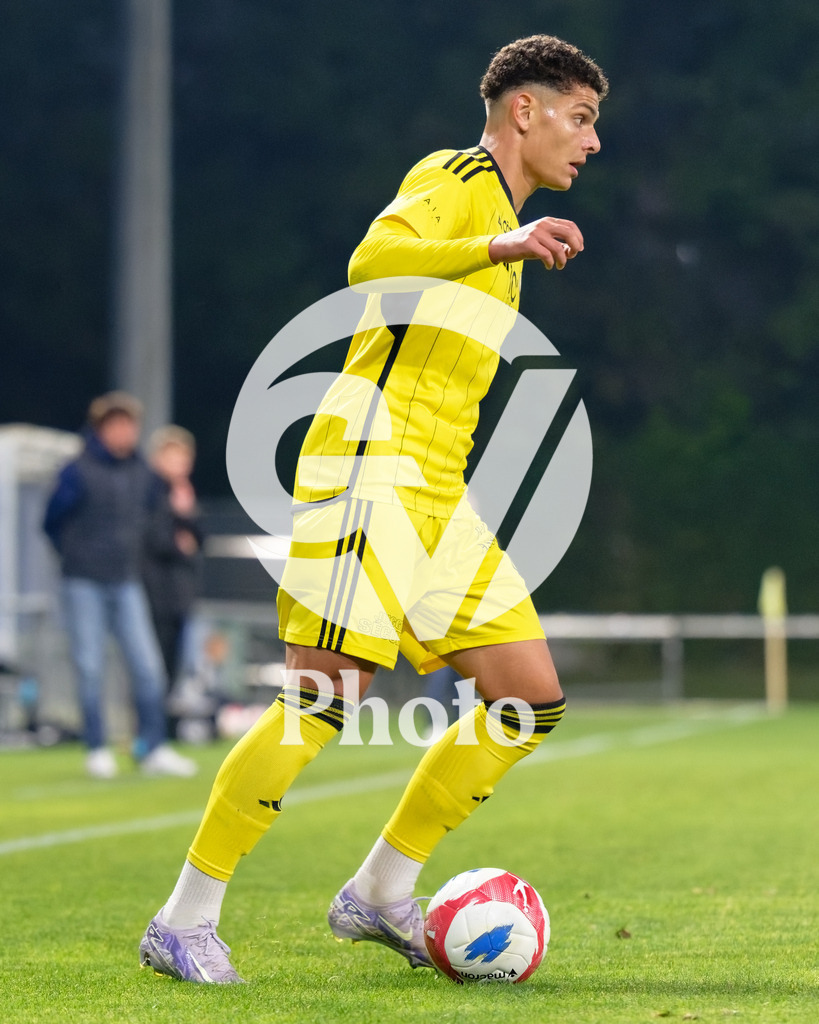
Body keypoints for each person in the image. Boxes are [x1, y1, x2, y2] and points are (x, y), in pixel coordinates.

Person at [139, 34, 607, 983]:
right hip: (368, 467)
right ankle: (183, 917)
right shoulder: (457, 175)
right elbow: (372, 258)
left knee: (526, 697)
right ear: (525, 110)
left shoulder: (509, 229)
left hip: (439, 491)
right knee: (324, 700)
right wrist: (496, 242)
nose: (592, 142)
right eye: (582, 117)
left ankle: (381, 892)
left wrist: (503, 246)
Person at [43, 392, 197, 779]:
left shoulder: (140, 472)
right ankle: (97, 748)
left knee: (148, 668)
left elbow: (156, 515)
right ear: (101, 428)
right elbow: (52, 521)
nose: (125, 432)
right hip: (83, 580)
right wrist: (75, 555)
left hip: (126, 580)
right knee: (90, 666)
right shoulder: (77, 470)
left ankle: (153, 747)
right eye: (117, 425)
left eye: (130, 425)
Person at [142, 426, 204, 730]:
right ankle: (149, 733)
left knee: (175, 666)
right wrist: (180, 522)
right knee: (154, 666)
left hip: (182, 595)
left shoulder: (186, 494)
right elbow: (155, 540)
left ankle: (162, 733)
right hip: (155, 592)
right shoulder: (150, 493)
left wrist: (187, 514)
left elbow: (199, 541)